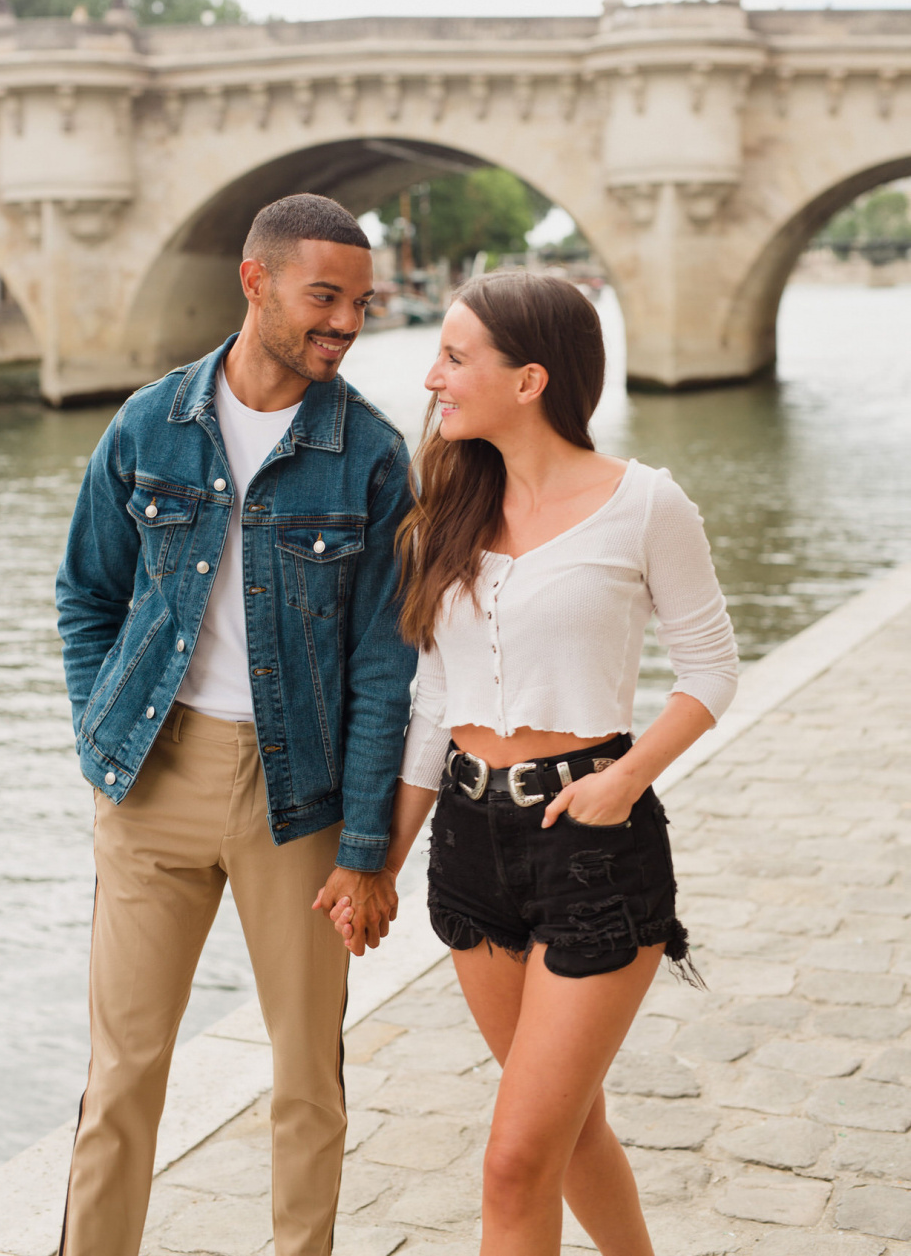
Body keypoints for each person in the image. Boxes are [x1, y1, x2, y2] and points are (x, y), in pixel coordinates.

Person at [328, 272, 739, 1256]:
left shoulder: (644, 504)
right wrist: (380, 860)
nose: (431, 377)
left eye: (454, 357)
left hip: (591, 845)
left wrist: (624, 779)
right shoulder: (444, 510)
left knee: (514, 1160)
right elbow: (435, 705)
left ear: (529, 380)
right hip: (469, 846)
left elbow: (710, 669)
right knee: (568, 1127)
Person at [55, 194, 416, 1256]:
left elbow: (383, 669)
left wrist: (365, 848)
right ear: (254, 282)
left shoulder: (372, 455)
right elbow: (87, 595)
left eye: (361, 303)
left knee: (306, 1077)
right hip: (151, 777)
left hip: (294, 795)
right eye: (325, 297)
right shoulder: (147, 424)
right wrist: (101, 734)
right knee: (121, 1074)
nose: (345, 323)